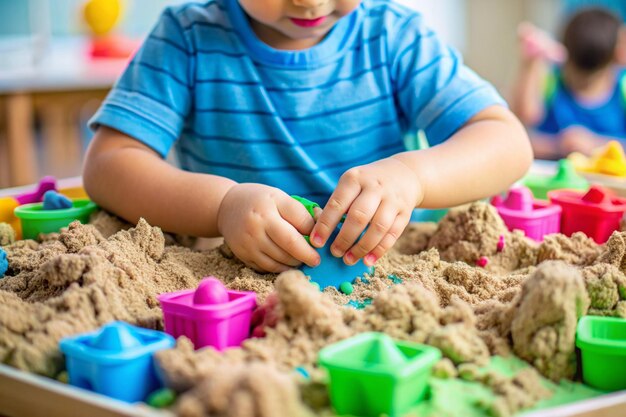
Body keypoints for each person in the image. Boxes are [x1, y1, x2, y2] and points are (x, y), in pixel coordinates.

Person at [83, 0, 532, 273]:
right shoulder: (188, 37)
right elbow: (109, 162)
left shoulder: (394, 36)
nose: (310, 2)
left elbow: (505, 141)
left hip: (385, 273)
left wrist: (412, 176)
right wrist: (222, 206)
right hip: (228, 277)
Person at [511, 8, 626, 160]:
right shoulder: (551, 78)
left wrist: (594, 144)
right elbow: (522, 126)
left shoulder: (622, 86)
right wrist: (531, 62)